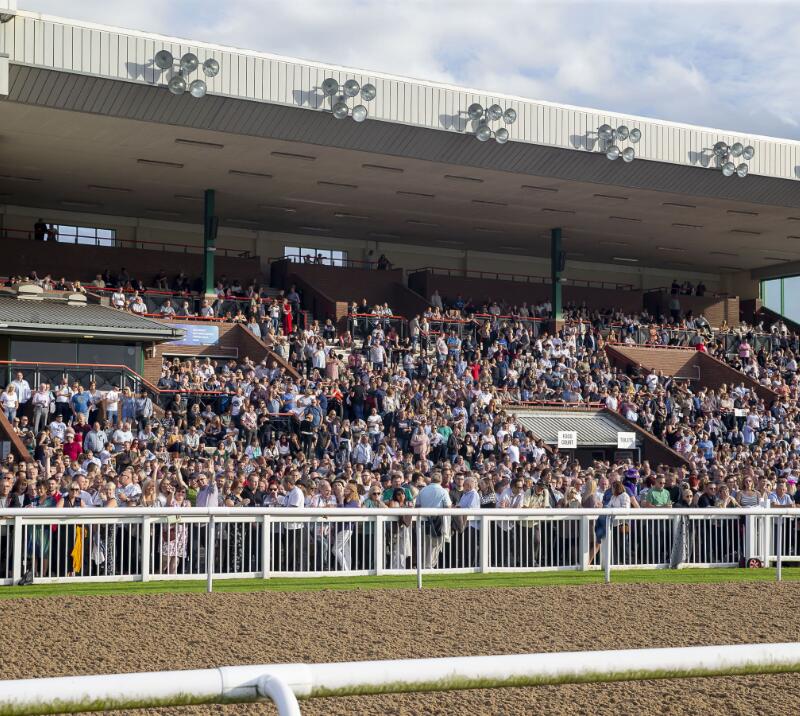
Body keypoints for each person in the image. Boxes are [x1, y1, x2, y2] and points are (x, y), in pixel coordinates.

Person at [415, 471, 452, 568]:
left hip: (423, 521)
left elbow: (417, 506)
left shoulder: (422, 490)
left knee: (424, 545)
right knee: (435, 546)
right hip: (437, 522)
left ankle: (423, 565)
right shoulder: (443, 491)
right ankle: (429, 565)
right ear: (441, 480)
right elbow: (448, 506)